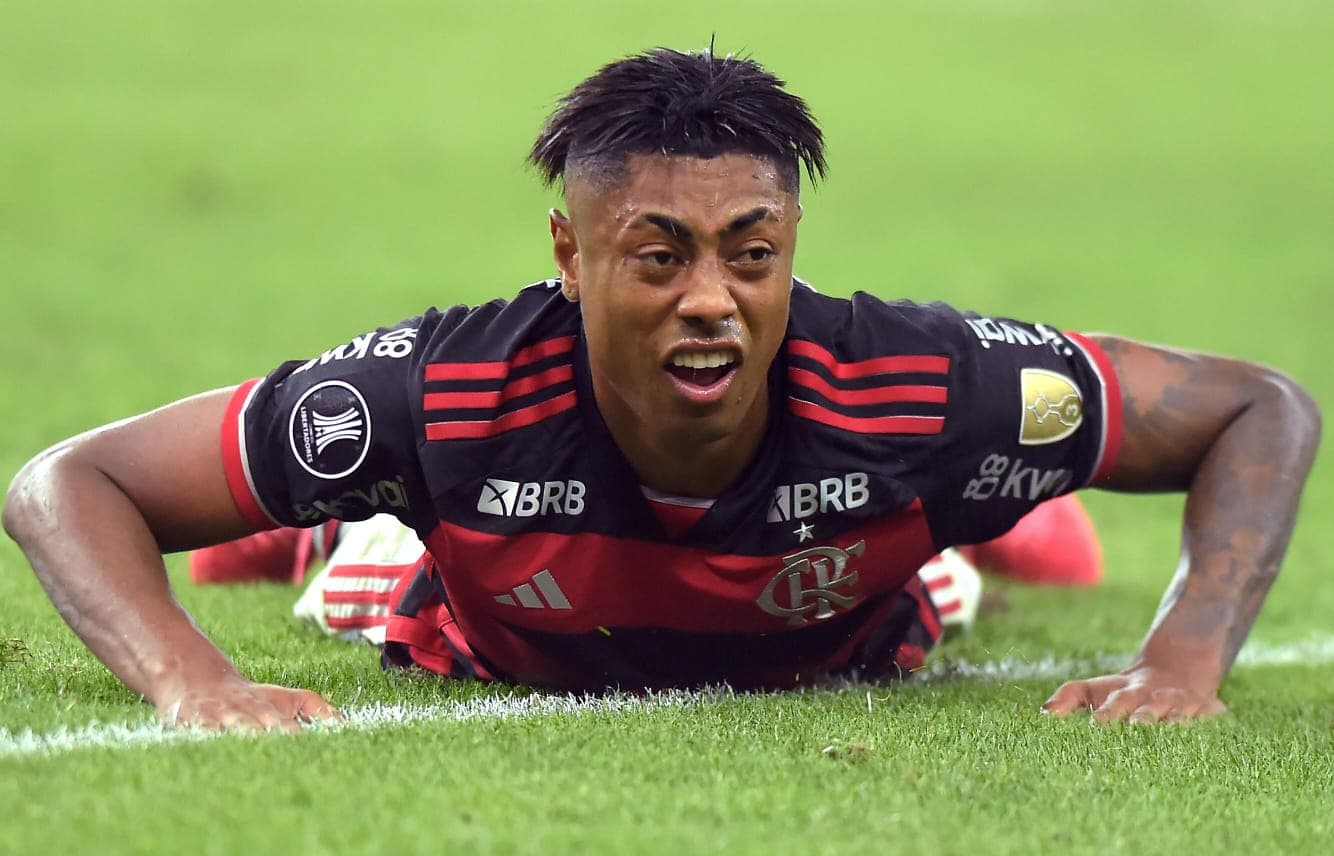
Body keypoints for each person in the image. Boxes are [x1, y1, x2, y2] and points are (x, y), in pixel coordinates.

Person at [3, 48, 1319, 732]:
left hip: (849, 613)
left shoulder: (922, 388)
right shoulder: (446, 393)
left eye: (752, 254)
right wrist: (189, 682)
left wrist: (1182, 659)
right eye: (658, 254)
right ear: (569, 255)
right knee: (330, 555)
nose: (712, 297)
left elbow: (1258, 407)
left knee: (1017, 534)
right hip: (484, 620)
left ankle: (1003, 528)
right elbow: (69, 481)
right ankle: (321, 523)